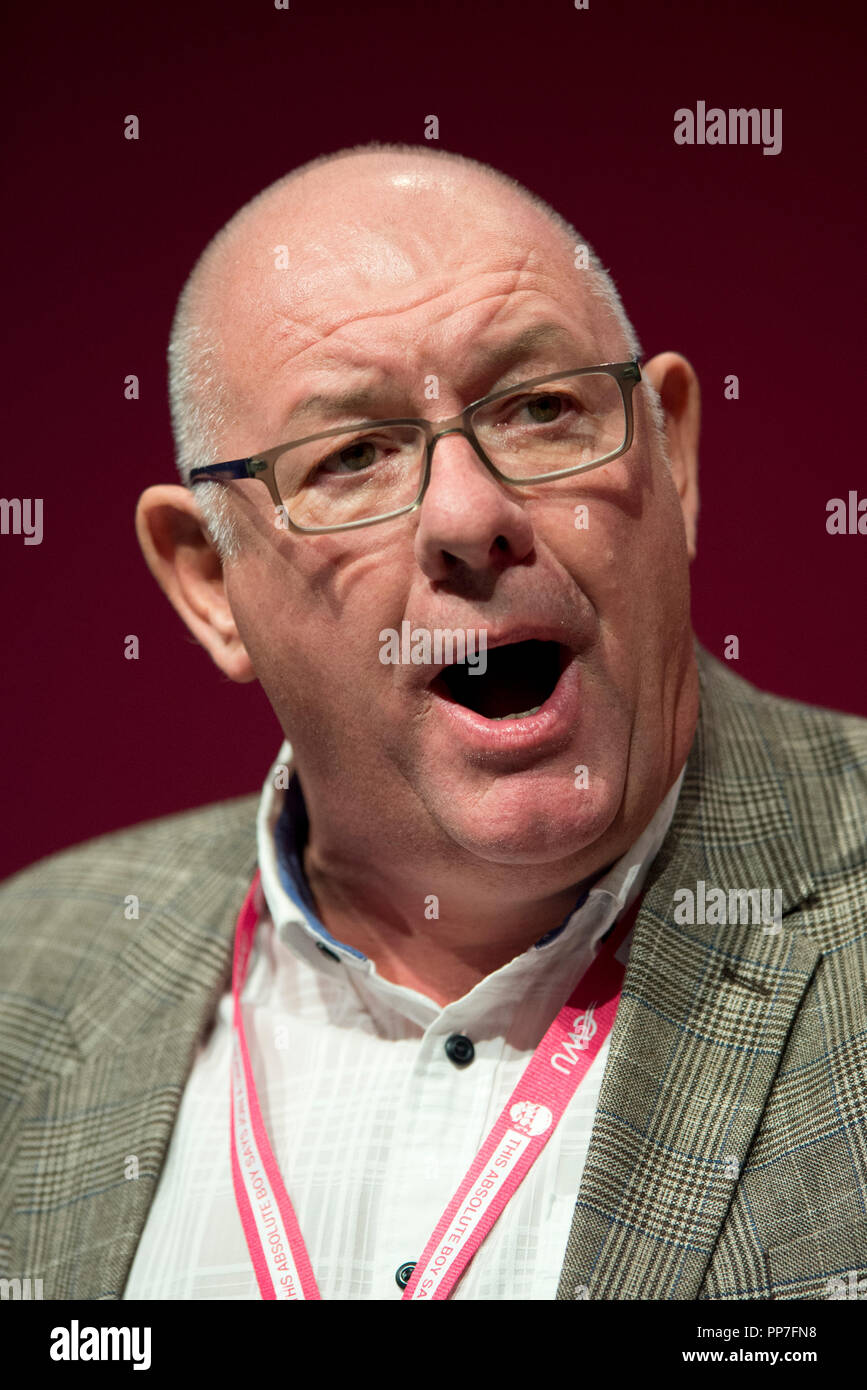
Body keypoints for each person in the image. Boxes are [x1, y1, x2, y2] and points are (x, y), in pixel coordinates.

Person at [1, 143, 865, 1302]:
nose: (470, 512)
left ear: (674, 456)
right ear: (210, 582)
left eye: (542, 409)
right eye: (352, 455)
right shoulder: (27, 975)